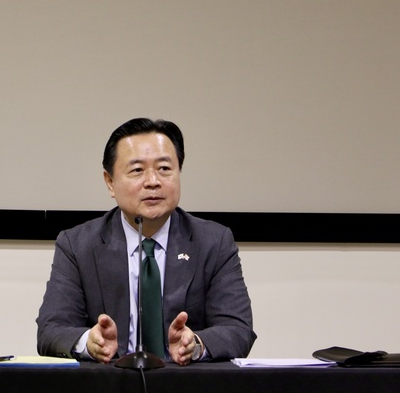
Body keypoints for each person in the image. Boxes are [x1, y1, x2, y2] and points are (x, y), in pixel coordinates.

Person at [36, 118, 256, 365]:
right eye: (137, 170)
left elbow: (238, 329)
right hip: (109, 381)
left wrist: (195, 345)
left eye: (164, 168)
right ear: (110, 182)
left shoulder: (214, 242)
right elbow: (51, 330)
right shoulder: (77, 245)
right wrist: (89, 342)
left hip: (186, 381)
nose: (153, 181)